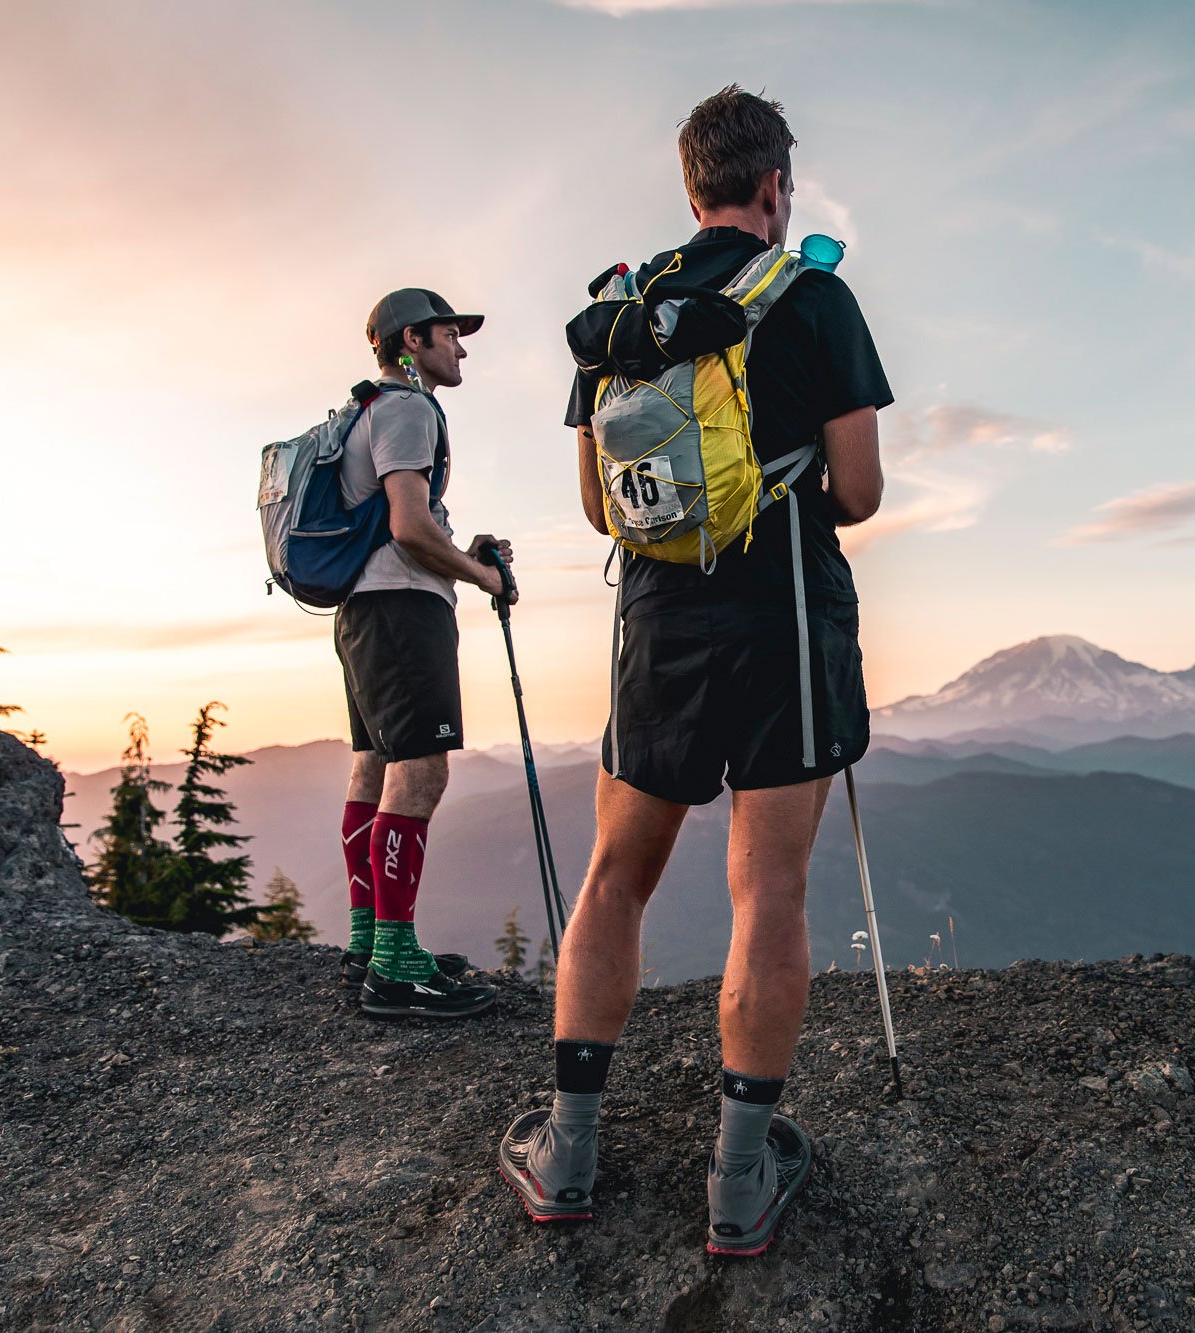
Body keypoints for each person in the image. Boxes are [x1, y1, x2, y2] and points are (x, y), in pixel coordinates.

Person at [499, 86, 891, 1256]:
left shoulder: (620, 313)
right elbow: (860, 491)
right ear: (776, 184)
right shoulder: (811, 295)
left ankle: (566, 1152)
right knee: (764, 891)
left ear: (689, 188)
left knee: (617, 875)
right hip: (782, 615)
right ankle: (736, 1179)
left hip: (657, 624)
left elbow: (594, 505)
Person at [335, 289, 510, 1019]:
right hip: (404, 610)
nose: (461, 347)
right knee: (422, 770)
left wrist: (455, 551)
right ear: (412, 340)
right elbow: (409, 527)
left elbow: (405, 520)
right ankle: (397, 968)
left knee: (374, 765)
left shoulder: (367, 410)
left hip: (364, 609)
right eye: (450, 333)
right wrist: (481, 574)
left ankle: (371, 942)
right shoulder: (408, 407)